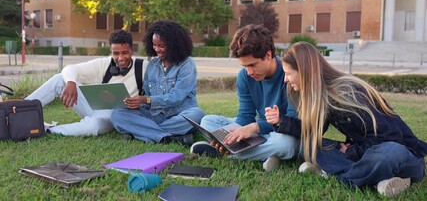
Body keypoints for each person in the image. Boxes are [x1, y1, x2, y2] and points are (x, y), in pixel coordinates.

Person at [266, 42, 427, 197]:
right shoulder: (322, 96)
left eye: (288, 74)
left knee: (388, 154)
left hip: (404, 155)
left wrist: (352, 151)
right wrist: (280, 121)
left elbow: (392, 137)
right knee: (308, 145)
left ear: (304, 71)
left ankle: (336, 174)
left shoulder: (348, 93)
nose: (285, 79)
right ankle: (376, 180)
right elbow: (313, 130)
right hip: (363, 152)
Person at [190, 24, 299, 172]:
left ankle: (227, 154)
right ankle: (262, 153)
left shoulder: (289, 74)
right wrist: (232, 135)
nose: (249, 72)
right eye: (245, 66)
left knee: (287, 144)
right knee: (208, 121)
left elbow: (291, 120)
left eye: (252, 65)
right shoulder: (244, 76)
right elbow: (245, 116)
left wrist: (256, 127)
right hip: (258, 130)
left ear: (268, 55)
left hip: (281, 130)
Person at [26, 29, 144, 136]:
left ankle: (48, 130)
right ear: (111, 51)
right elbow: (70, 68)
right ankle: (19, 110)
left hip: (116, 116)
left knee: (94, 126)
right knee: (60, 79)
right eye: (116, 53)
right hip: (97, 106)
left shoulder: (143, 66)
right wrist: (71, 82)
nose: (120, 58)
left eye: (125, 53)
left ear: (132, 51)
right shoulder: (104, 64)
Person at [111, 20, 205, 145]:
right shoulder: (152, 65)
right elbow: (148, 93)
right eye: (154, 45)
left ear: (174, 45)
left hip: (180, 114)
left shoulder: (187, 64)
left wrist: (146, 100)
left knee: (197, 115)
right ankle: (170, 137)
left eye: (161, 46)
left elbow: (176, 98)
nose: (157, 49)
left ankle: (142, 133)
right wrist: (136, 103)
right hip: (155, 114)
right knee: (117, 114)